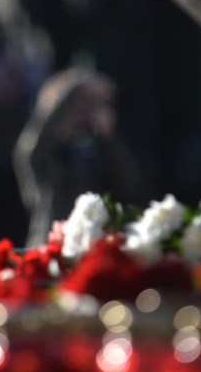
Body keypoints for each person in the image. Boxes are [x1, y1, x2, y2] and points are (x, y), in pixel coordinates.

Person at [14, 68, 140, 247]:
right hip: (48, 249)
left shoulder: (93, 151)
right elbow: (36, 141)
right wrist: (74, 86)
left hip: (90, 250)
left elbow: (128, 186)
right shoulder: (41, 155)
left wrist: (109, 139)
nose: (82, 109)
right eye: (74, 102)